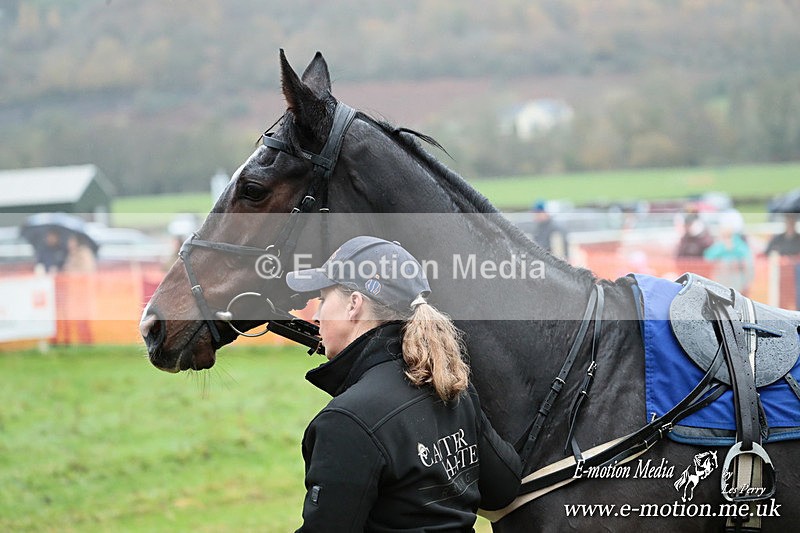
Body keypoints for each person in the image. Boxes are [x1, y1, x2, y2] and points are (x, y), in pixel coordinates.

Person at [285, 236, 522, 531]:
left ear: (354, 305)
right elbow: (503, 488)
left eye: (323, 299)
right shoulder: (449, 385)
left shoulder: (346, 420)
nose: (317, 315)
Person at [703, 214, 753, 295]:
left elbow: (747, 259)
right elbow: (708, 257)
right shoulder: (719, 246)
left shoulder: (739, 245)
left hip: (736, 281)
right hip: (721, 280)